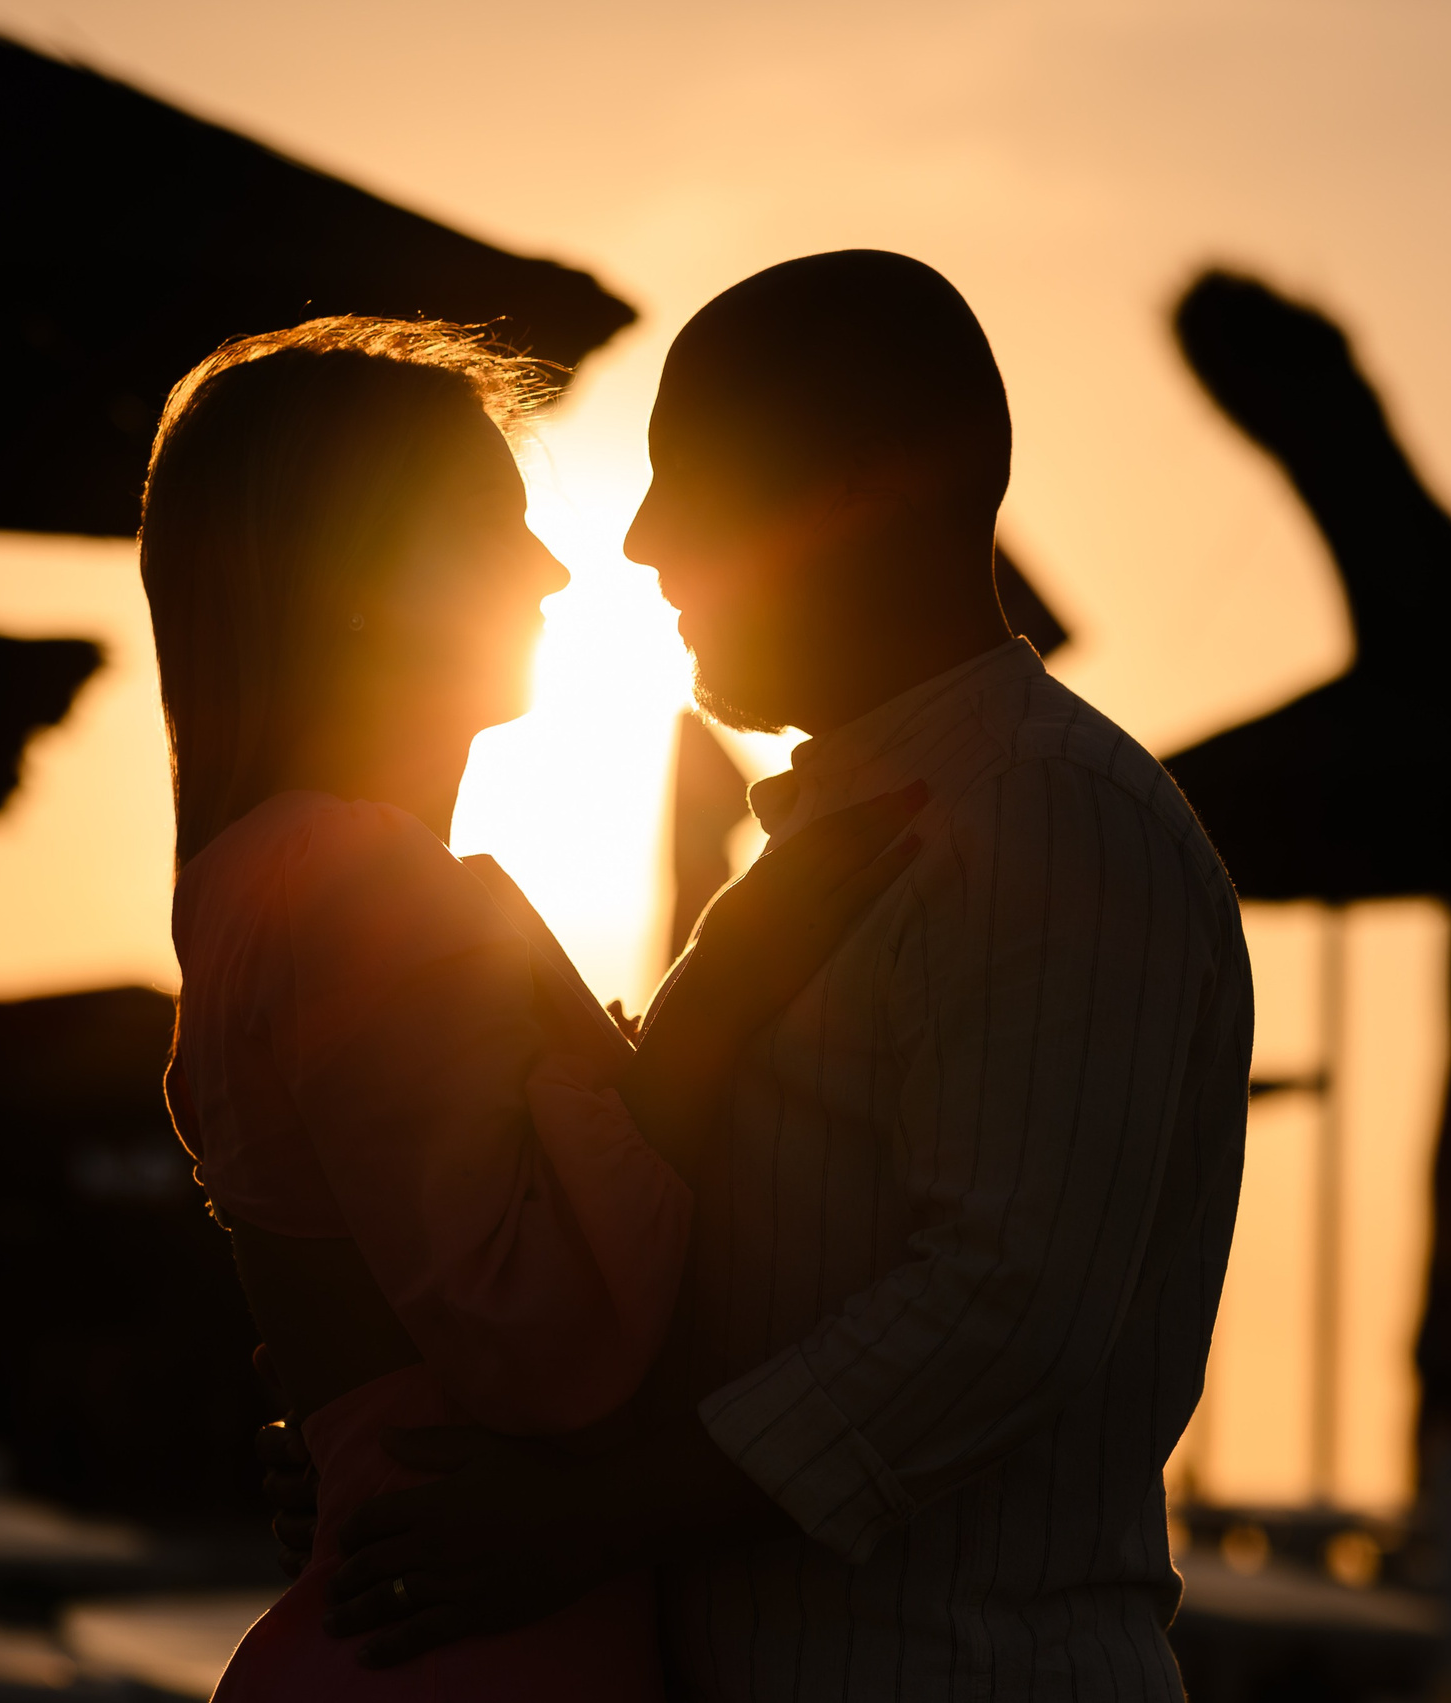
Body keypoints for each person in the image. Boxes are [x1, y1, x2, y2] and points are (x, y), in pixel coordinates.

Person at [315, 253, 1256, 1699]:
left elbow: (998, 1311)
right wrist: (428, 1457)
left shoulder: (1052, 814)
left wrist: (574, 1523)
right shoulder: (883, 829)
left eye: (693, 476)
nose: (639, 541)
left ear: (872, 487)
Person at [139, 316, 924, 1701]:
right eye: (489, 525)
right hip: (480, 1653)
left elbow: (415, 1298)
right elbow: (547, 1343)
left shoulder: (258, 877)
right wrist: (722, 990)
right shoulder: (351, 882)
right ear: (364, 581)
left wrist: (352, 1422)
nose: (556, 570)